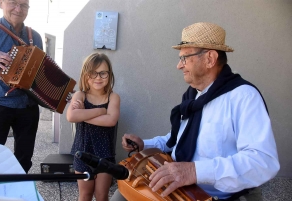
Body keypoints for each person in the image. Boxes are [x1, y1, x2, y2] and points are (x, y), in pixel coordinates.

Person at [111, 22, 280, 201]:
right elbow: (177, 141)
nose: (179, 65)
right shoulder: (193, 96)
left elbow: (263, 162)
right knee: (122, 193)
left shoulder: (244, 97)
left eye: (184, 58)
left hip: (219, 196)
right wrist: (144, 144)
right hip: (181, 188)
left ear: (210, 59)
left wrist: (194, 171)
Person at [0, 0, 43, 173]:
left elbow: (41, 71)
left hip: (28, 106)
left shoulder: (34, 36)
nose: (18, 9)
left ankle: (18, 192)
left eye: (24, 5)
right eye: (13, 3)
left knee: (24, 158)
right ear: (1, 3)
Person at [66, 53, 120, 201]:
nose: (98, 77)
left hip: (105, 155)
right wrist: (101, 111)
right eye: (93, 73)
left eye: (103, 73)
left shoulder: (113, 97)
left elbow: (110, 121)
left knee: (102, 195)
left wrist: (83, 113)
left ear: (109, 75)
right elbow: (71, 117)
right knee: (85, 195)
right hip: (83, 152)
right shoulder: (80, 95)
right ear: (85, 75)